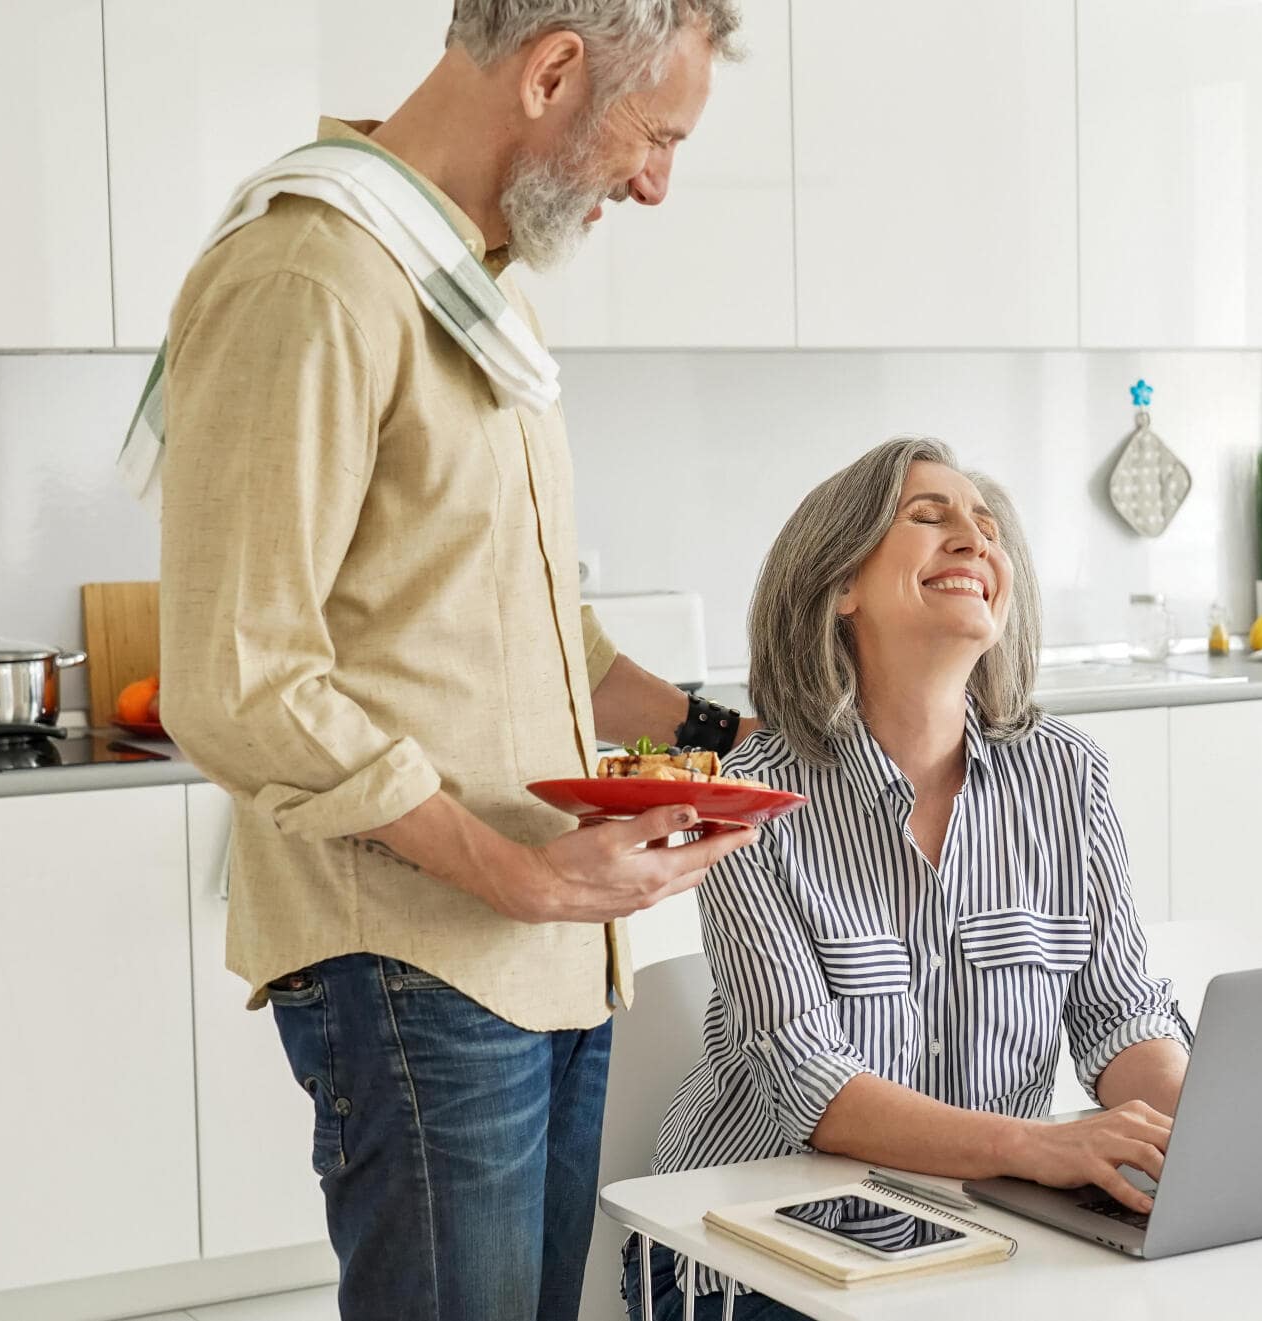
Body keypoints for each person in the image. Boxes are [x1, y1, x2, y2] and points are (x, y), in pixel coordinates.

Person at [153, 2, 753, 1316]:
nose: (655, 184)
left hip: (554, 955)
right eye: (655, 136)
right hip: (421, 959)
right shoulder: (312, 276)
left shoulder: (471, 286)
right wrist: (518, 875)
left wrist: (730, 735)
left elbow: (542, 632)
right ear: (552, 71)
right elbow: (238, 677)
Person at [624, 438, 1194, 1320]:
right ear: (840, 585)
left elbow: (1119, 1016)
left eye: (988, 527)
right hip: (748, 1255)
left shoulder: (1067, 776)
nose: (973, 538)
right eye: (929, 517)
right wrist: (1038, 1146)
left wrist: (1218, 1127)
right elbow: (812, 1083)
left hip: (974, 1242)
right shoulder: (751, 800)